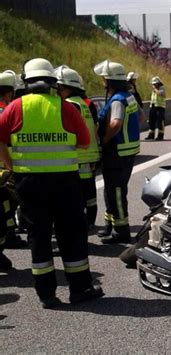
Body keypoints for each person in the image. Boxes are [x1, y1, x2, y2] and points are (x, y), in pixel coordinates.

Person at [0, 58, 104, 308]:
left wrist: (11, 166)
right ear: (52, 82)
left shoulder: (15, 107)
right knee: (71, 234)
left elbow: (0, 139)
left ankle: (47, 295)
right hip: (64, 182)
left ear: (26, 81)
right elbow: (83, 141)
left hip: (28, 183)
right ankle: (80, 289)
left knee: (39, 236)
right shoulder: (66, 108)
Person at [94, 59, 144, 243]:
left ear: (109, 81)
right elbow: (140, 117)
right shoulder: (128, 96)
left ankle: (121, 231)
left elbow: (115, 123)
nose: (102, 82)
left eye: (104, 79)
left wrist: (105, 139)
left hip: (116, 152)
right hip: (127, 152)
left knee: (115, 192)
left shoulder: (116, 100)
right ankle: (109, 225)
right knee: (111, 190)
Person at [55, 65, 100, 231]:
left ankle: (81, 223)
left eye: (58, 88)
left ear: (64, 87)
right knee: (89, 192)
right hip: (89, 155)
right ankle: (89, 221)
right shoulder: (83, 103)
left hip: (78, 156)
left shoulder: (69, 105)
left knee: (77, 194)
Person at [0, 70, 27, 250]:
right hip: (5, 167)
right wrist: (11, 167)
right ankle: (7, 237)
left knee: (6, 203)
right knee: (7, 203)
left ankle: (9, 235)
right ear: (9, 92)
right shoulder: (4, 110)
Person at [146, 76, 166, 141]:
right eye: (153, 84)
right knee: (151, 121)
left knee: (160, 122)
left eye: (155, 84)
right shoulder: (154, 89)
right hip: (153, 106)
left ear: (158, 83)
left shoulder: (162, 88)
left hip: (160, 107)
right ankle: (151, 135)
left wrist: (155, 89)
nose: (154, 85)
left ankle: (160, 136)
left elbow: (161, 94)